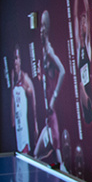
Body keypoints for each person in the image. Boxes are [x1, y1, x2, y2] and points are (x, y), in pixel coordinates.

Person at [34, 10, 65, 166]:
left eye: (43, 26)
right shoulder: (43, 50)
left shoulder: (49, 51)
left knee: (56, 153)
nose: (41, 29)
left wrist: (53, 99)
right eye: (40, 25)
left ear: (48, 29)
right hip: (47, 115)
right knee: (37, 156)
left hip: (51, 114)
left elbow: (63, 70)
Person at [11, 44, 38, 154]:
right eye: (14, 58)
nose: (15, 62)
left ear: (21, 60)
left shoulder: (26, 79)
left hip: (25, 127)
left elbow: (34, 103)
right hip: (17, 126)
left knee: (25, 151)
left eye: (17, 58)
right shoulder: (13, 76)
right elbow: (12, 99)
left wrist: (35, 125)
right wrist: (12, 119)